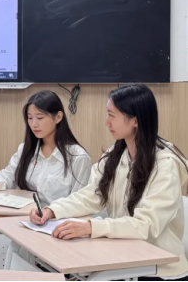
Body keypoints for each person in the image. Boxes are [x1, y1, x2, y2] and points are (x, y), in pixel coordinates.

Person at [31, 84, 188, 281]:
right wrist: (52, 210)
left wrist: (91, 228)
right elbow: (92, 195)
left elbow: (146, 225)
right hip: (125, 259)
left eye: (112, 115)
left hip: (160, 269)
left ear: (135, 120)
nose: (107, 122)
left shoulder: (165, 165)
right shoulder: (116, 154)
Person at [0, 90, 92, 207]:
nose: (34, 124)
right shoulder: (25, 149)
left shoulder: (78, 157)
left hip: (58, 219)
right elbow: (8, 175)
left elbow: (79, 203)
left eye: (40, 118)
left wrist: (51, 212)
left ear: (58, 117)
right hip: (25, 215)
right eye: (30, 118)